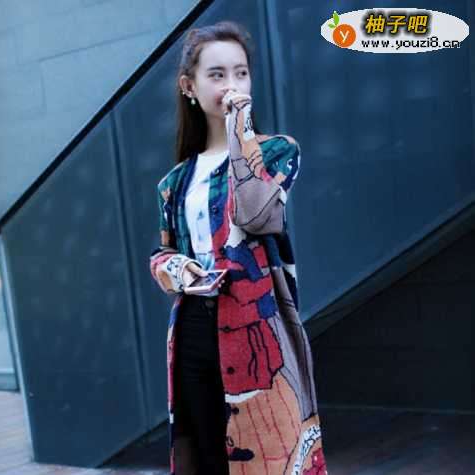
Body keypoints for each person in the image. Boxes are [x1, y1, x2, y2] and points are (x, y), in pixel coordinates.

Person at [149, 20, 329, 475]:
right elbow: (162, 254)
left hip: (256, 330)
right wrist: (179, 270)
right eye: (217, 75)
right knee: (210, 452)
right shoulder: (174, 182)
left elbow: (254, 214)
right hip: (193, 327)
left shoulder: (276, 152)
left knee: (267, 455)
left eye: (241, 73)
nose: (232, 85)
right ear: (189, 87)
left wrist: (239, 128)